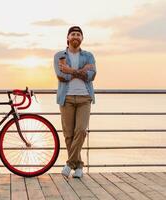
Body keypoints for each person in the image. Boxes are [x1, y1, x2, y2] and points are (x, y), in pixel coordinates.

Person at [53, 26, 96, 178]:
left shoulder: (89, 55)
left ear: (82, 38)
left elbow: (91, 76)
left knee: (81, 131)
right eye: (73, 34)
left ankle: (69, 164)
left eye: (78, 34)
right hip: (66, 98)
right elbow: (61, 76)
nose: (75, 36)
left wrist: (70, 70)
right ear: (68, 37)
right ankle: (78, 166)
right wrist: (81, 70)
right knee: (69, 134)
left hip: (85, 97)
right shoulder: (59, 55)